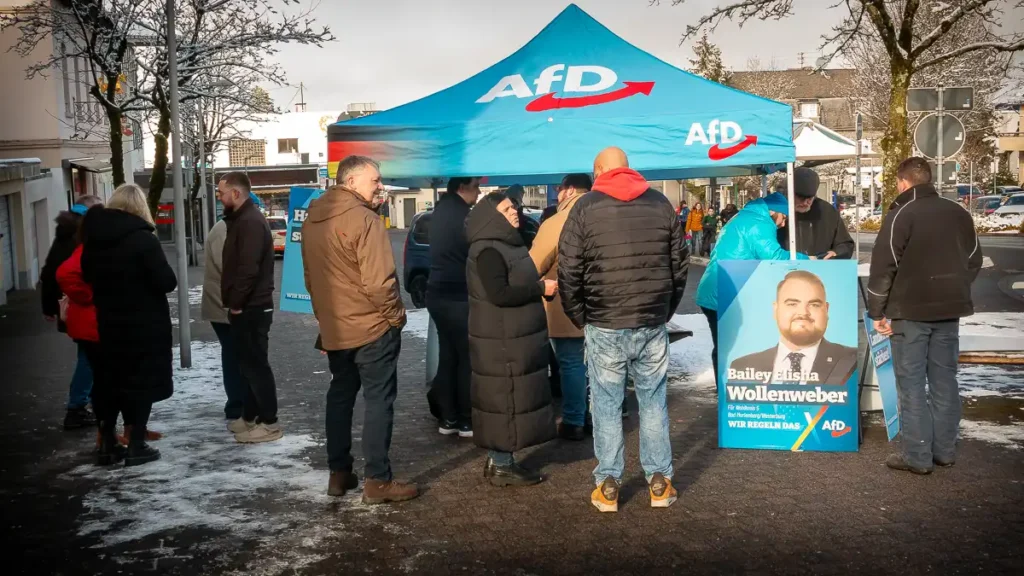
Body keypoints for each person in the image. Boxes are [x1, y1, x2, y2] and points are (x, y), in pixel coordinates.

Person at [558, 147, 687, 513]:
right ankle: (660, 482)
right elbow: (679, 267)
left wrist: (580, 316)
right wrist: (664, 308)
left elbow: (569, 271)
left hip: (604, 322)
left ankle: (609, 483)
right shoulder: (661, 204)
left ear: (599, 170)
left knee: (606, 405)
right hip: (650, 322)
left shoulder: (584, 208)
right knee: (653, 402)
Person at [302, 155, 418, 504]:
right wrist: (396, 317)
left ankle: (339, 473)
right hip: (372, 328)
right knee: (378, 400)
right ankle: (377, 481)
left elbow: (310, 280)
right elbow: (380, 282)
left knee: (340, 397)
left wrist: (327, 321)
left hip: (338, 329)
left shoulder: (312, 220)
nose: (380, 185)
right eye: (375, 180)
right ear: (351, 182)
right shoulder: (365, 220)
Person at [868, 157, 982, 475]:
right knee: (945, 380)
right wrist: (954, 289)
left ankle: (917, 455)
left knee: (912, 384)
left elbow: (884, 265)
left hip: (910, 313)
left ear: (903, 182)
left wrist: (877, 310)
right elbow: (974, 258)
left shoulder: (901, 214)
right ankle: (944, 451)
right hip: (950, 311)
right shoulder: (958, 212)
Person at [81, 184, 177, 466]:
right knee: (140, 385)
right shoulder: (143, 239)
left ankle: (107, 444)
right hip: (144, 326)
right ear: (139, 207)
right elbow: (166, 281)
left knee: (109, 382)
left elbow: (87, 276)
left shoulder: (93, 240)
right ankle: (136, 444)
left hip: (108, 323)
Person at [467, 192, 558, 487]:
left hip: (509, 337)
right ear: (493, 216)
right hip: (501, 340)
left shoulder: (503, 245)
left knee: (508, 398)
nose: (515, 211)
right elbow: (499, 294)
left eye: (514, 207)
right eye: (507, 209)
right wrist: (539, 288)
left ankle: (499, 460)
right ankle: (503, 464)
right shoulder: (489, 250)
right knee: (505, 399)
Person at [695, 192, 808, 386]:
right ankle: (732, 393)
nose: (783, 224)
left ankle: (726, 391)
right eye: (783, 217)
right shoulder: (758, 223)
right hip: (726, 292)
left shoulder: (746, 216)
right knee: (732, 347)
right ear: (773, 211)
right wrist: (809, 260)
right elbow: (774, 257)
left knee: (724, 346)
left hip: (717, 289)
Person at [218, 172, 281, 443]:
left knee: (256, 366)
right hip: (248, 305)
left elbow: (248, 268)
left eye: (221, 192)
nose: (219, 197)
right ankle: (252, 417)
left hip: (252, 307)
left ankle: (269, 423)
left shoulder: (250, 221)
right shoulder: (241, 219)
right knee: (247, 365)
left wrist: (237, 304)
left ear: (236, 193)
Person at [530, 173, 592, 441]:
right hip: (607, 305)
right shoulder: (605, 214)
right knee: (603, 364)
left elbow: (534, 264)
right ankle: (601, 416)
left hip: (567, 304)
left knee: (571, 363)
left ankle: (574, 419)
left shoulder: (558, 222)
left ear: (568, 190)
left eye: (559, 189)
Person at [728, 271, 857, 385]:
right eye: (792, 304)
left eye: (814, 305)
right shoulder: (742, 367)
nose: (803, 313)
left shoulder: (851, 361)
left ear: (826, 310)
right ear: (776, 309)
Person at [40, 195, 102, 430]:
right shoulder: (80, 236)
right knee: (88, 358)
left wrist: (49, 306)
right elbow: (63, 273)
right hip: (82, 306)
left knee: (88, 356)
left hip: (71, 306)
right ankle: (77, 408)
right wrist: (87, 296)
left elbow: (49, 271)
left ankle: (84, 405)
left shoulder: (65, 231)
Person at [426, 176, 480, 438]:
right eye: (475, 187)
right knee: (466, 358)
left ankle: (447, 419)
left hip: (436, 292)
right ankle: (466, 419)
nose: (479, 192)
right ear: (462, 188)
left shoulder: (439, 212)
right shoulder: (464, 216)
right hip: (460, 294)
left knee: (448, 355)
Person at [201, 218, 244, 424]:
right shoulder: (225, 229)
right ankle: (236, 405)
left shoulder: (227, 227)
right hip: (225, 305)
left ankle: (238, 403)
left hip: (225, 303)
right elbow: (228, 268)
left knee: (234, 354)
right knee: (234, 355)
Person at [778, 167, 854, 260]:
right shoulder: (777, 210)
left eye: (810, 198)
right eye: (801, 198)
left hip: (819, 269)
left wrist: (836, 252)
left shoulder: (827, 211)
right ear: (789, 193)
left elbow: (845, 244)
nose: (805, 202)